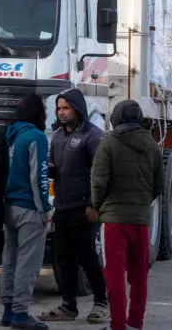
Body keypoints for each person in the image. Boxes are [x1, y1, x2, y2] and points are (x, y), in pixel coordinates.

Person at [88, 100, 164, 330]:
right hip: (141, 221)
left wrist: (96, 206)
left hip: (114, 222)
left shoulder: (109, 143)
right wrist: (141, 203)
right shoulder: (152, 145)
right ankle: (135, 324)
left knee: (114, 276)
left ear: (116, 119)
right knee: (139, 276)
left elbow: (98, 182)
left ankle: (118, 325)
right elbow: (159, 185)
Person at [40, 89, 108, 324]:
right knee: (63, 259)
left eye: (66, 108)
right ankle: (68, 305)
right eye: (59, 108)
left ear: (77, 109)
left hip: (84, 209)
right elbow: (57, 168)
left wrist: (93, 205)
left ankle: (101, 303)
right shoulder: (57, 136)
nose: (61, 112)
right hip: (62, 207)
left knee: (87, 257)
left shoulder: (93, 136)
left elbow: (100, 174)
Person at [0, 94, 54, 330]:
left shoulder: (11, 134)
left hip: (9, 207)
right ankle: (21, 313)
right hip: (30, 208)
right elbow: (38, 177)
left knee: (9, 260)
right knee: (28, 262)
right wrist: (44, 209)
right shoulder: (36, 137)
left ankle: (8, 311)